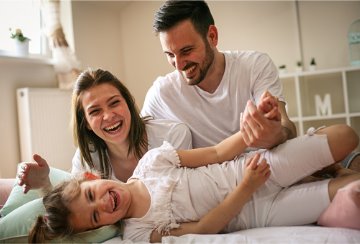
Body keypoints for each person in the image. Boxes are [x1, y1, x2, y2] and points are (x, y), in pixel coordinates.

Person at [28, 120, 360, 242]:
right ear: (97, 228)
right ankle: (328, 177)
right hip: (258, 210)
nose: (103, 204)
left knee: (346, 135)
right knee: (350, 191)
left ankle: (325, 166)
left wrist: (248, 132)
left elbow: (216, 153)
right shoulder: (139, 234)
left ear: (90, 178)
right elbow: (202, 229)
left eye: (90, 196)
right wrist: (247, 189)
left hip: (250, 167)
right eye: (96, 217)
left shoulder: (151, 162)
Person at [141, 0, 297, 150]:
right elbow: (135, 141)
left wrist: (277, 134)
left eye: (186, 51)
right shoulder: (162, 93)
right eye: (169, 54)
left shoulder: (255, 66)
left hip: (264, 170)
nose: (179, 65)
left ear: (212, 36)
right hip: (212, 176)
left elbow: (286, 127)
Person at [17, 68, 193, 192]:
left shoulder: (173, 136)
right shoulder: (86, 158)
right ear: (85, 123)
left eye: (114, 102)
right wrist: (45, 184)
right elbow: (75, 208)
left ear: (128, 103)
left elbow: (181, 198)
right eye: (95, 111)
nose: (108, 116)